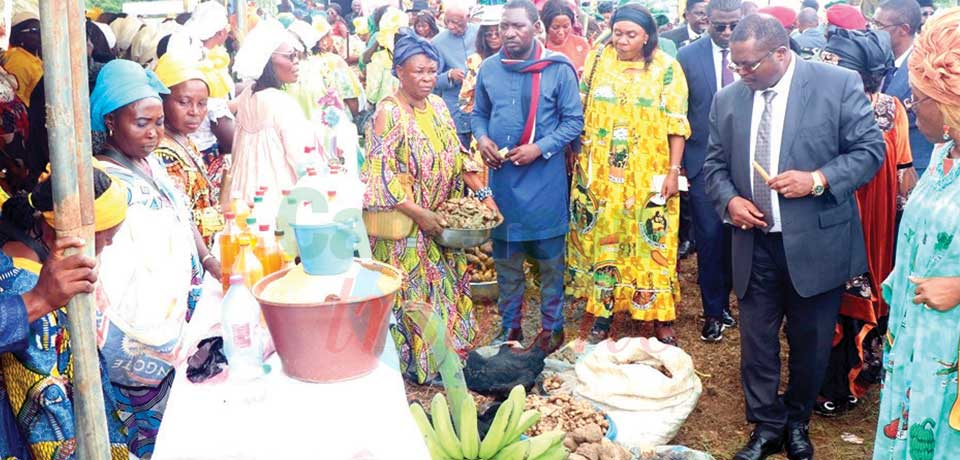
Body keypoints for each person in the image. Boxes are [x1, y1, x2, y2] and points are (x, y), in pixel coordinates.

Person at [702, 14, 885, 460]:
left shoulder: (836, 85)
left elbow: (870, 152)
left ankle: (798, 421)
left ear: (781, 54)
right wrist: (729, 202)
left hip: (816, 245)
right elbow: (713, 166)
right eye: (735, 64)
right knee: (757, 343)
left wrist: (818, 179)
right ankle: (767, 426)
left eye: (748, 65)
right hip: (755, 243)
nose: (739, 73)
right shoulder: (728, 99)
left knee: (811, 341)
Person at [90, 59, 211, 459]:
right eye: (141, 123)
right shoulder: (102, 182)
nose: (154, 133)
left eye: (158, 122)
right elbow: (109, 276)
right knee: (147, 438)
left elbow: (180, 212)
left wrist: (207, 260)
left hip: (171, 327)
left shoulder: (149, 162)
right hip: (137, 338)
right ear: (110, 121)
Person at [361, 30, 491, 384]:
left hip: (443, 221)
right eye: (418, 71)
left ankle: (450, 353)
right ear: (399, 71)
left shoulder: (435, 106)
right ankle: (421, 365)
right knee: (415, 297)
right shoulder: (388, 114)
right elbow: (379, 177)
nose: (426, 78)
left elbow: (459, 156)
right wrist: (421, 215)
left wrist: (483, 197)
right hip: (407, 229)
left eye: (432, 71)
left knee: (447, 287)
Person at [570, 3, 690, 345]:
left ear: (648, 36)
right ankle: (604, 311)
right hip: (601, 174)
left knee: (652, 239)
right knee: (605, 238)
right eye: (618, 32)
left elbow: (676, 125)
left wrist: (672, 170)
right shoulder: (598, 59)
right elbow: (580, 106)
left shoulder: (667, 69)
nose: (622, 40)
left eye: (631, 35)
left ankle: (659, 316)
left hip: (648, 172)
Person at [814, 27, 915, 418]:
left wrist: (909, 222)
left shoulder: (892, 109)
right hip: (828, 216)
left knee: (858, 295)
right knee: (824, 301)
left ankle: (849, 378)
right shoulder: (821, 106)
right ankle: (828, 380)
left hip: (872, 224)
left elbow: (904, 169)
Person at [872, 9, 960, 458]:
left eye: (919, 98)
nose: (910, 106)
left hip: (951, 353)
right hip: (914, 340)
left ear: (949, 107)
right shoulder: (946, 155)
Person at [473, 0, 583, 354]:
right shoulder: (489, 69)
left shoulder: (557, 68)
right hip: (503, 184)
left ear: (536, 27)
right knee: (507, 264)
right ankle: (511, 328)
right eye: (504, 26)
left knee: (551, 265)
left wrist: (540, 148)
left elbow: (573, 122)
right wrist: (483, 138)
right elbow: (478, 114)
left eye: (517, 26)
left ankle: (553, 329)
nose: (508, 33)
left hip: (544, 184)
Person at [0, 169, 131, 460]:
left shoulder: (33, 263)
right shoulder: (29, 291)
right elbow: (50, 414)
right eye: (105, 239)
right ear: (61, 236)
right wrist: (39, 300)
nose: (107, 247)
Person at [677, 0, 741, 343]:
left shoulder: (755, 50)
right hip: (703, 164)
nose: (728, 33)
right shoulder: (687, 58)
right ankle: (713, 312)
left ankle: (731, 303)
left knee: (738, 240)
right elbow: (680, 113)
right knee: (711, 239)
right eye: (720, 26)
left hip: (747, 164)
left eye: (734, 25)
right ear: (706, 22)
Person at [228, 19, 315, 208]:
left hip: (244, 190)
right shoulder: (282, 103)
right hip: (276, 194)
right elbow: (300, 158)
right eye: (290, 56)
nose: (296, 62)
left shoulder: (248, 94)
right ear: (267, 61)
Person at [153, 54, 224, 247]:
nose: (194, 111)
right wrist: (220, 215)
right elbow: (176, 218)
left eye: (202, 103)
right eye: (183, 102)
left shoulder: (185, 139)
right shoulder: (162, 153)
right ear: (162, 101)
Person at [876, 0, 936, 178]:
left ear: (903, 29)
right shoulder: (879, 59)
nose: (873, 30)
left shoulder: (925, 66)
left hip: (915, 168)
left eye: (879, 25)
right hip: (881, 168)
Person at [184, 1, 236, 197]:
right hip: (205, 153)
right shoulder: (204, 63)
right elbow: (226, 132)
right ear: (221, 32)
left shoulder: (193, 52)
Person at [432, 2, 479, 149]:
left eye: (457, 23)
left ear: (468, 17)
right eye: (448, 22)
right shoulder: (438, 42)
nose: (451, 26)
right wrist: (449, 76)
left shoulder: (480, 33)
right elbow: (432, 79)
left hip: (480, 107)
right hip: (455, 110)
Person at [459, 5, 503, 116]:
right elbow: (465, 96)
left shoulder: (514, 57)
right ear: (483, 37)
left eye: (497, 33)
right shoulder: (475, 60)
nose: (493, 37)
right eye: (489, 34)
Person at [366, 7, 408, 105]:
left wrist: (370, 101)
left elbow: (373, 90)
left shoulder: (379, 58)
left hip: (386, 107)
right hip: (408, 106)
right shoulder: (411, 55)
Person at [542, 0, 591, 72]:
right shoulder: (541, 47)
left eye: (566, 26)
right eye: (555, 27)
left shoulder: (581, 44)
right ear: (546, 26)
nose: (561, 32)